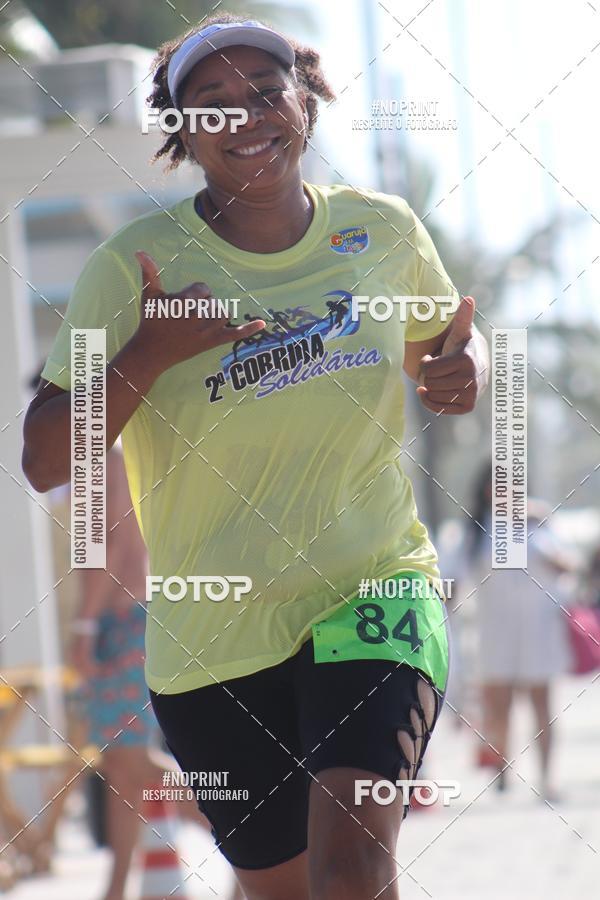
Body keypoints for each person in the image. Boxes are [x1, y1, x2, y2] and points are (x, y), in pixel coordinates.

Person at [22, 14, 488, 899]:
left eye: (265, 91)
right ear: (182, 131)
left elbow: (447, 349)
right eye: (211, 102)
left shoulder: (383, 230)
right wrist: (149, 354)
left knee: (354, 864)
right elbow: (46, 458)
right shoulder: (132, 268)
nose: (245, 115)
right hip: (212, 638)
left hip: (375, 586)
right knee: (288, 887)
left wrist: (463, 370)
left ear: (305, 99)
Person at [468, 465, 574, 800]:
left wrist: (538, 524)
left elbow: (569, 564)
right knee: (499, 706)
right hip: (495, 631)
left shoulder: (539, 523)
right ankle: (501, 771)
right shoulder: (474, 531)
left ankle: (547, 778)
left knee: (541, 704)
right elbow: (453, 578)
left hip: (538, 630)